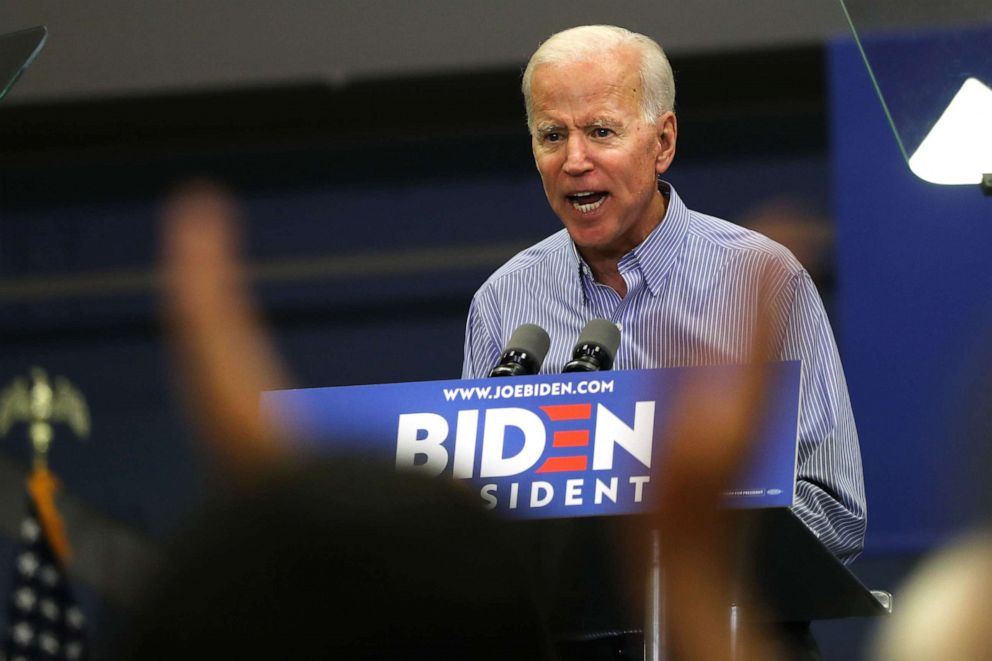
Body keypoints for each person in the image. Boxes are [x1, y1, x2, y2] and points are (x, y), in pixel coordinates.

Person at [462, 24, 866, 658]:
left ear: (663, 142)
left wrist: (687, 534)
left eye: (600, 131)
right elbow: (483, 518)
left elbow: (835, 512)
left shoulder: (763, 279)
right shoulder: (502, 302)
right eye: (551, 135)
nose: (573, 160)